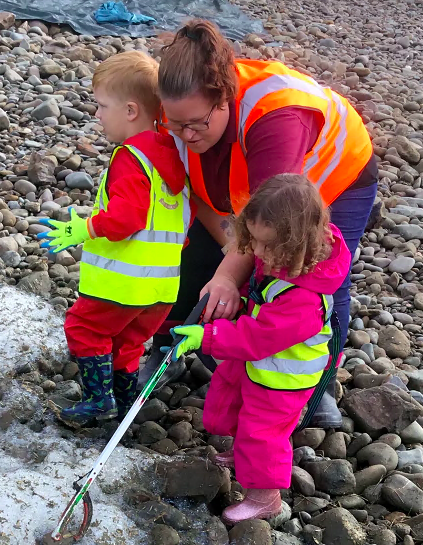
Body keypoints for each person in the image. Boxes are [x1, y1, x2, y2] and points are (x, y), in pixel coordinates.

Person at [136, 18, 379, 428]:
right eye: (174, 124)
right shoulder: (181, 115)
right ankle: (169, 347)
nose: (185, 135)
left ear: (223, 99)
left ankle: (317, 385)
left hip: (336, 181)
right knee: (188, 247)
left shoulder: (275, 121)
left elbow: (268, 225)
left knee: (310, 276)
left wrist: (229, 274)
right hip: (259, 198)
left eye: (195, 124)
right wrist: (224, 263)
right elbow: (199, 198)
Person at [166, 174, 350, 524]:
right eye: (254, 241)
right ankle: (241, 453)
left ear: (298, 243)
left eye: (267, 246)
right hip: (263, 364)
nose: (257, 253)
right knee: (232, 399)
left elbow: (258, 336)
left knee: (262, 433)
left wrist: (207, 337)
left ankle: (266, 496)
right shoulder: (288, 259)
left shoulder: (304, 298)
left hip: (283, 379)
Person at [38, 50, 191, 423]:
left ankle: (98, 401)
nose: (96, 115)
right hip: (162, 288)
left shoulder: (130, 157)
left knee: (83, 327)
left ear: (130, 110)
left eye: (102, 106)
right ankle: (125, 404)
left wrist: (84, 228)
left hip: (122, 284)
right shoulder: (173, 155)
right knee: (127, 342)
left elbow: (125, 219)